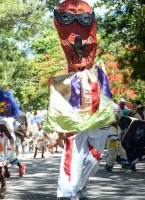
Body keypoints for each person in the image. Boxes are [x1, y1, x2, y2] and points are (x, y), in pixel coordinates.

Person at [45, 1, 117, 199]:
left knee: (94, 158)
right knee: (74, 149)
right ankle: (67, 192)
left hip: (96, 101)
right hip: (74, 98)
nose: (78, 26)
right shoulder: (65, 80)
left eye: (84, 20)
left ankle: (79, 185)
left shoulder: (100, 74)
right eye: (69, 18)